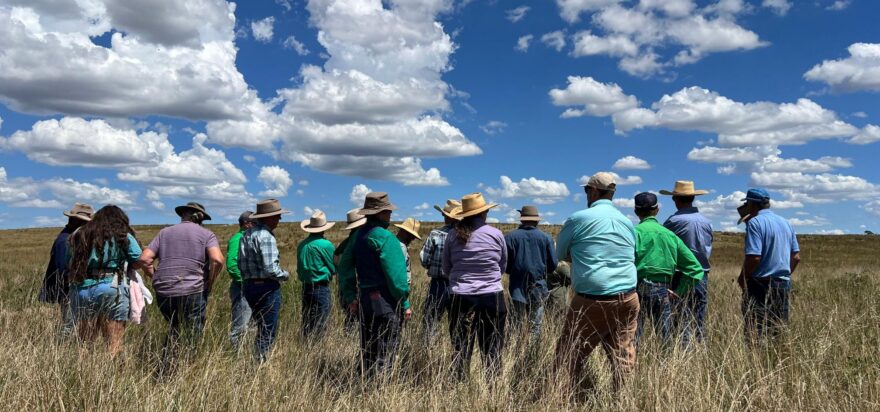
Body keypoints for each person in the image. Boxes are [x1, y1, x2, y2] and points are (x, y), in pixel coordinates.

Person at [554, 172, 638, 394]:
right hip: (628, 296)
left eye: (585, 190)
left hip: (593, 298)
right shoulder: (626, 222)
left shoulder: (578, 219)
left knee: (569, 353)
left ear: (592, 191)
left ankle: (561, 400)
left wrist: (582, 256)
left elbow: (560, 254)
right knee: (623, 354)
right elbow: (631, 254)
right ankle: (622, 399)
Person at [139, 202, 224, 375]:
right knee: (192, 332)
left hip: (164, 290)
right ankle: (187, 371)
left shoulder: (164, 232)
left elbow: (144, 259)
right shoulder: (206, 234)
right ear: (200, 218)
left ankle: (166, 367)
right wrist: (210, 282)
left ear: (182, 215)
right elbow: (217, 260)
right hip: (193, 288)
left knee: (174, 327)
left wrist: (155, 277)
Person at [338, 192, 411, 377]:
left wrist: (350, 297)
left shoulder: (356, 237)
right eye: (387, 211)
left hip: (365, 300)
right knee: (386, 350)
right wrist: (404, 301)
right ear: (379, 213)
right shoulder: (386, 238)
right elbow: (396, 277)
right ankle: (379, 392)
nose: (390, 215)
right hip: (385, 301)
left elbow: (345, 268)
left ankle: (365, 384)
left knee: (368, 348)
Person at [442, 192, 508, 381]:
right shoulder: (496, 234)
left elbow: (447, 268)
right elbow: (502, 266)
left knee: (460, 346)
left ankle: (459, 385)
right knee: (492, 346)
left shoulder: (453, 235)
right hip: (491, 296)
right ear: (483, 213)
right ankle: (492, 386)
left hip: (460, 296)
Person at [66, 205, 143, 357]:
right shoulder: (123, 235)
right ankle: (111, 374)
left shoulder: (80, 234)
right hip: (112, 285)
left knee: (85, 341)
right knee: (114, 341)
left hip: (82, 287)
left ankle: (84, 373)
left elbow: (70, 261)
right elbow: (138, 259)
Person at [632, 192, 704, 346]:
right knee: (666, 340)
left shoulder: (633, 234)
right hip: (663, 290)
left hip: (635, 289)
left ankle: (631, 369)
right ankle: (667, 369)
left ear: (636, 211)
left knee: (633, 338)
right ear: (657, 209)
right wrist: (679, 292)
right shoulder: (670, 236)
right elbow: (695, 269)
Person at [737, 188, 801, 341]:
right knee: (779, 329)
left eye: (747, 202)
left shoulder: (755, 223)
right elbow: (796, 257)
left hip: (759, 284)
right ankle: (777, 359)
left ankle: (757, 362)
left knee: (755, 331)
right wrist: (783, 274)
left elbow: (754, 257)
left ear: (752, 204)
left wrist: (743, 278)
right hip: (782, 283)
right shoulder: (786, 223)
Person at [661, 180, 713, 346]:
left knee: (680, 318)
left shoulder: (673, 222)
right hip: (702, 275)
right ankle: (699, 353)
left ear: (676, 199)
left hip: (681, 275)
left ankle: (683, 357)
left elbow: (666, 248)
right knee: (698, 318)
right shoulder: (706, 222)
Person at [239, 198, 291, 361]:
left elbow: (240, 263)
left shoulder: (246, 235)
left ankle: (255, 359)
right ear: (268, 217)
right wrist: (285, 274)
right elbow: (270, 269)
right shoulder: (266, 236)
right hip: (266, 287)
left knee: (258, 325)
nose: (279, 219)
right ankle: (260, 363)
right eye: (276, 216)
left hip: (249, 286)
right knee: (268, 328)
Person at [39, 202, 93, 339]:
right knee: (71, 325)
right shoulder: (66, 240)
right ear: (78, 222)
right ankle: (63, 348)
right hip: (69, 289)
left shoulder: (68, 236)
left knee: (74, 323)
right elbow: (64, 269)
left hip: (70, 289)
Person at [504, 205, 558, 341]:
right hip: (539, 286)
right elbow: (553, 265)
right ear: (537, 221)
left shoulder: (510, 237)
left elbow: (505, 264)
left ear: (521, 219)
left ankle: (514, 352)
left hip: (516, 286)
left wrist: (514, 271)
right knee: (535, 325)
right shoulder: (546, 238)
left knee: (516, 324)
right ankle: (531, 354)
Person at [420, 200, 460, 342]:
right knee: (458, 323)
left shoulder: (435, 234)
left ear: (446, 216)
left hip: (438, 284)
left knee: (431, 320)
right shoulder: (465, 236)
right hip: (460, 285)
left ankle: (429, 351)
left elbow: (424, 259)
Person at [297, 210, 336, 339]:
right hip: (321, 287)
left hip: (305, 287)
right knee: (321, 321)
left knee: (307, 321)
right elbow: (334, 266)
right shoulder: (326, 245)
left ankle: (306, 346)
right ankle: (317, 349)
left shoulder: (302, 245)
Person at [335, 209, 366, 333]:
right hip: (356, 289)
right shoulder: (359, 241)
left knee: (350, 318)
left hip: (344, 289)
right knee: (359, 322)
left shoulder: (343, 244)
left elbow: (336, 265)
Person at [226, 211, 254, 349]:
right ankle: (235, 357)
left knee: (251, 324)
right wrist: (245, 282)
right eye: (254, 223)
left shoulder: (248, 238)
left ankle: (247, 353)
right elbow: (231, 264)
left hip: (249, 288)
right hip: (243, 288)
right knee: (240, 326)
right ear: (247, 224)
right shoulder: (238, 239)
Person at [394, 217, 421, 287]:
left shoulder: (393, 242)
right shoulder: (401, 247)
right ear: (405, 232)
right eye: (412, 235)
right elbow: (398, 274)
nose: (413, 239)